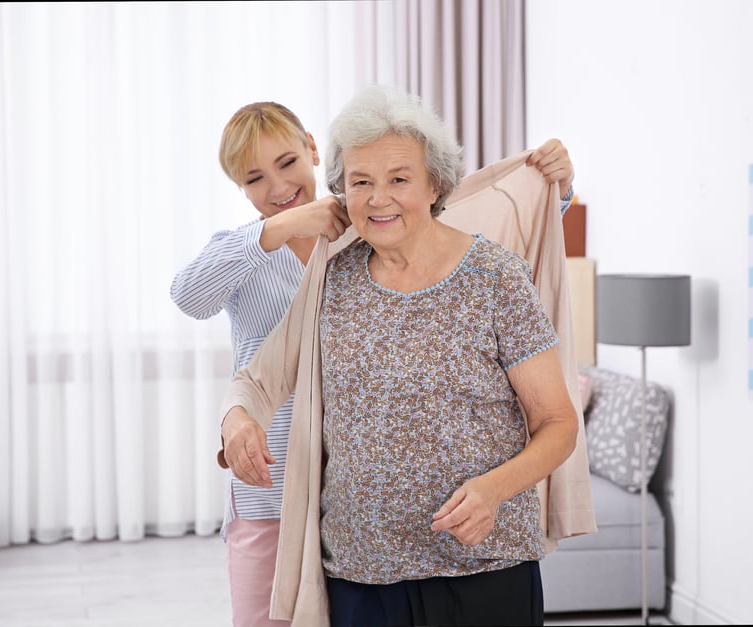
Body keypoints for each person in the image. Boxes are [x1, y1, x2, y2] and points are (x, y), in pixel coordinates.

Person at [171, 99, 579, 627]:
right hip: (354, 568)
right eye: (361, 182)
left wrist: (557, 191)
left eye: (400, 179)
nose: (378, 197)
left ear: (435, 186)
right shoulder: (331, 275)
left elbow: (558, 422)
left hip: (482, 565)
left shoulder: (495, 276)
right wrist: (236, 416)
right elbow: (249, 370)